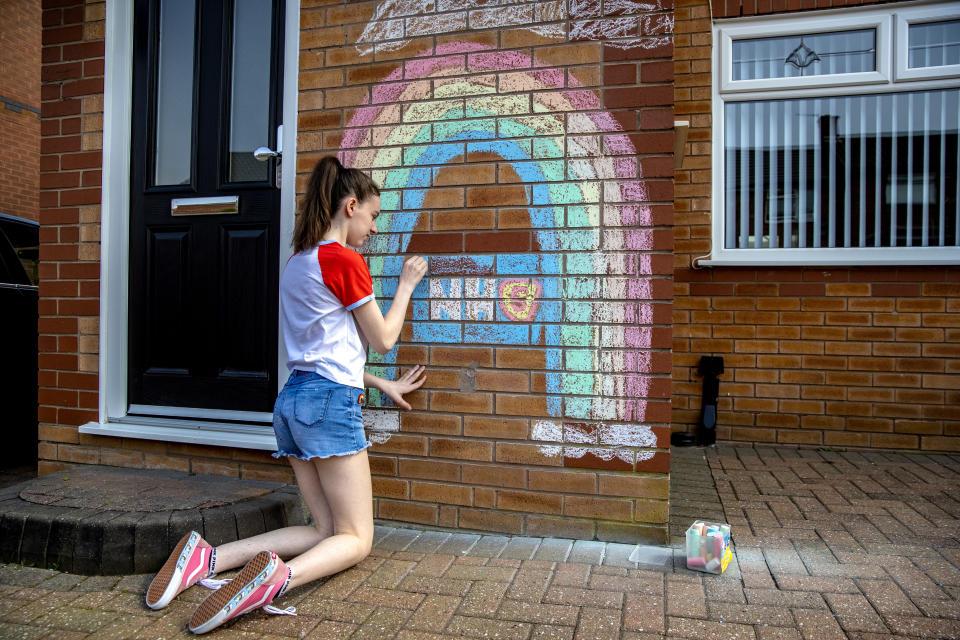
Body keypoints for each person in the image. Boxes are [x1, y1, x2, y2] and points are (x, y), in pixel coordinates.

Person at [144, 156, 428, 634]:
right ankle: (276, 580)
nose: (374, 229)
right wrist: (405, 286)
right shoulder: (344, 260)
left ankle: (209, 558)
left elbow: (328, 350)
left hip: (293, 402)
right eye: (373, 216)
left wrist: (382, 384)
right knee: (357, 539)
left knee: (323, 529)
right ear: (351, 206)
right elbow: (381, 339)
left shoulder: (298, 262)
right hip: (327, 405)